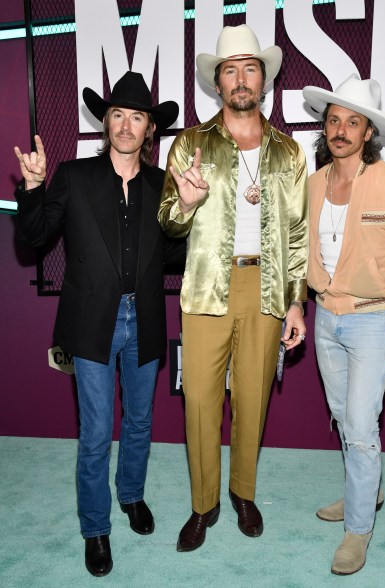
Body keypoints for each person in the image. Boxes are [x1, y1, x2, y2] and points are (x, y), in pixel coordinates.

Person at [14, 71, 183, 577]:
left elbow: (177, 253)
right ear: (105, 121)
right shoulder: (73, 175)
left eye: (137, 117)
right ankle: (95, 527)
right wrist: (34, 187)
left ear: (150, 128)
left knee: (139, 422)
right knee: (94, 433)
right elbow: (34, 236)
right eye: (117, 114)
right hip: (92, 322)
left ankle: (131, 495)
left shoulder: (163, 184)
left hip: (145, 317)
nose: (126, 125)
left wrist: (190, 210)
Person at [158, 24, 308, 552]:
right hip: (205, 287)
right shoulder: (191, 143)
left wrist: (296, 303)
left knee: (252, 397)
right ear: (217, 83)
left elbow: (296, 234)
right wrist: (188, 203)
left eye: (250, 68)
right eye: (230, 70)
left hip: (265, 287)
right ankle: (205, 505)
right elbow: (167, 223)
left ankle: (243, 493)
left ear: (262, 79)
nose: (240, 78)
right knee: (199, 399)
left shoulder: (289, 151)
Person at [302, 74, 385, 575]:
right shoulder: (312, 185)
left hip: (372, 320)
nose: (340, 130)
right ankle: (368, 491)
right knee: (343, 414)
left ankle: (357, 532)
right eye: (333, 121)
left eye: (351, 122)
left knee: (360, 426)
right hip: (324, 316)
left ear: (367, 133)